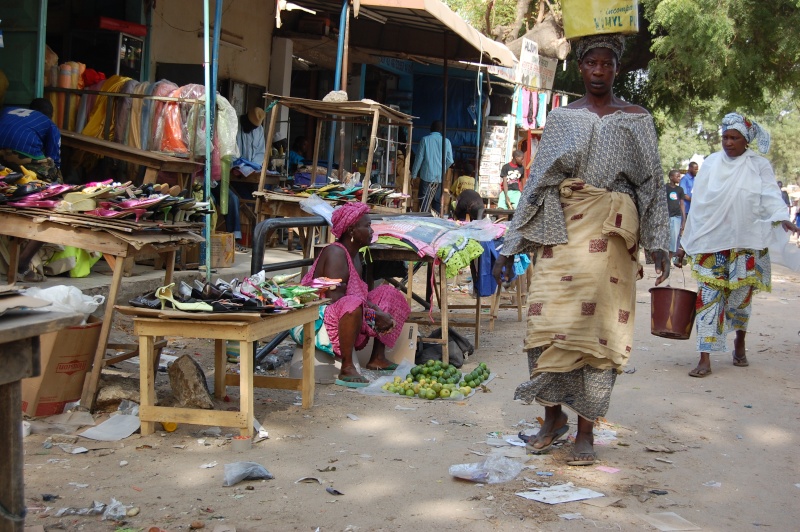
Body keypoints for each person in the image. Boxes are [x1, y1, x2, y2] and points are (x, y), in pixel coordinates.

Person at [492, 34, 670, 466]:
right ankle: (552, 419)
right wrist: (509, 245)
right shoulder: (562, 119)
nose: (597, 71)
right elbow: (537, 184)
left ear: (616, 69)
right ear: (581, 68)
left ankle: (586, 431)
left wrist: (660, 243)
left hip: (610, 236)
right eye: (591, 63)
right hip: (563, 233)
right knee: (545, 322)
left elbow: (651, 183)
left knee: (597, 334)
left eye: (606, 64)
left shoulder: (636, 119)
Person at [677, 113, 800, 377]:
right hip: (712, 244)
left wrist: (781, 217)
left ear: (747, 141)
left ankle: (739, 341)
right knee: (707, 300)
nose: (729, 143)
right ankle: (705, 358)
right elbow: (698, 205)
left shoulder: (758, 165)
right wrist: (685, 243)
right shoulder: (710, 164)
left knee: (740, 301)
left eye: (735, 138)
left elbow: (769, 194)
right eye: (725, 137)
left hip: (746, 244)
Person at [293, 202, 411, 387]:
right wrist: (373, 314)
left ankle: (377, 358)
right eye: (367, 226)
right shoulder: (335, 253)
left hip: (349, 307)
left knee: (389, 293)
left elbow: (360, 296)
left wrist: (376, 310)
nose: (372, 231)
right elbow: (336, 300)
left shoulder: (356, 253)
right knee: (353, 303)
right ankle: (346, 367)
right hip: (319, 315)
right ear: (351, 231)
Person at [0, 97, 61, 182]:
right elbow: (54, 158)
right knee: (54, 173)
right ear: (50, 115)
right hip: (21, 151)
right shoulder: (49, 123)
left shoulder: (6, 110)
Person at [411, 120, 453, 214]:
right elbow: (450, 160)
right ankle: (435, 222)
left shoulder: (425, 140)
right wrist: (443, 169)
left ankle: (423, 221)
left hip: (426, 176)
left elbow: (418, 160)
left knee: (424, 202)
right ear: (441, 130)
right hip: (439, 178)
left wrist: (413, 175)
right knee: (436, 202)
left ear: (430, 128)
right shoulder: (447, 142)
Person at [665, 169, 686, 265]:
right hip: (666, 216)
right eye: (677, 176)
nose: (679, 178)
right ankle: (664, 259)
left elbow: (682, 204)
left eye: (679, 176)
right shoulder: (665, 188)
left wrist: (683, 219)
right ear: (671, 177)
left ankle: (668, 260)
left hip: (676, 216)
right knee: (665, 238)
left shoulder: (680, 190)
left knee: (674, 239)